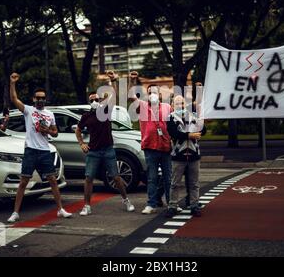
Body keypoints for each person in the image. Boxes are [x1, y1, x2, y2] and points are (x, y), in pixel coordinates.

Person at [7, 73, 72, 223]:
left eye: (43, 97)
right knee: (24, 181)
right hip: (30, 150)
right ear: (33, 99)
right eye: (38, 97)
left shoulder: (50, 114)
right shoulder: (28, 110)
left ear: (45, 99)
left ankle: (61, 209)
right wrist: (12, 84)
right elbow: (14, 99)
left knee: (52, 180)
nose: (41, 100)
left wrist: (47, 131)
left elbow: (55, 133)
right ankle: (15, 212)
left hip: (44, 151)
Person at [76, 70, 135, 216]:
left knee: (116, 177)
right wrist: (81, 143)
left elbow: (114, 96)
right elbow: (77, 130)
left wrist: (113, 80)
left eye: (97, 99)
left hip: (108, 149)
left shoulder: (106, 111)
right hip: (93, 151)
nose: (94, 102)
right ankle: (87, 206)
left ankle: (126, 200)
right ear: (89, 103)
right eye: (92, 100)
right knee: (89, 178)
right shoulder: (86, 116)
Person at [129, 71, 172, 214]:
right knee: (152, 178)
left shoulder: (167, 107)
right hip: (150, 147)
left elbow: (173, 125)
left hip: (166, 147)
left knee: (168, 177)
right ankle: (151, 204)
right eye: (150, 92)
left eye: (155, 91)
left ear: (160, 94)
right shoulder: (142, 106)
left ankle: (171, 202)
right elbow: (131, 96)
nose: (152, 94)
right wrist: (133, 80)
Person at [166, 95, 206, 218]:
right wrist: (190, 135)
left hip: (194, 154)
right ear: (172, 106)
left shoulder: (193, 116)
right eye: (177, 103)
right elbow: (174, 133)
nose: (180, 106)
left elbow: (203, 130)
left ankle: (194, 205)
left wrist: (200, 118)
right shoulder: (170, 118)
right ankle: (172, 206)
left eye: (182, 103)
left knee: (194, 183)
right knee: (175, 183)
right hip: (178, 154)